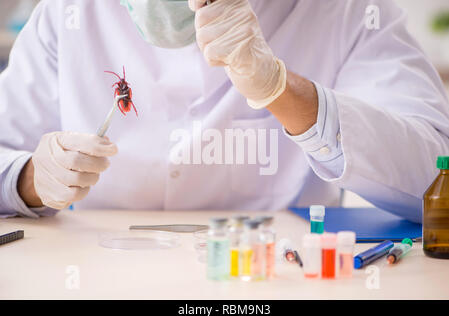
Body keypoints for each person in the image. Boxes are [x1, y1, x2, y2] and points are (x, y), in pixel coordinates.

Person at [0, 0, 448, 223]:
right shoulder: (71, 12)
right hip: (97, 269)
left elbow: (435, 182)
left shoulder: (344, 12)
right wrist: (31, 179)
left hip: (274, 279)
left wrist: (281, 90)